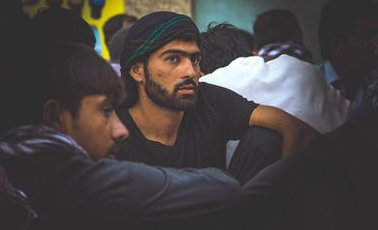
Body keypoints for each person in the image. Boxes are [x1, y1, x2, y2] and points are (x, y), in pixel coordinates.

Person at [0, 42, 246, 229]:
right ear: (56, 117)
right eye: (106, 111)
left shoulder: (8, 158)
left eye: (194, 60)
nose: (120, 130)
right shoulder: (69, 178)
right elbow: (226, 189)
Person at [116, 11, 319, 185]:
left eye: (194, 60)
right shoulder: (115, 129)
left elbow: (295, 129)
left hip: (223, 216)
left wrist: (276, 194)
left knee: (265, 139)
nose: (191, 71)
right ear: (137, 71)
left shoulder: (209, 99)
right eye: (173, 59)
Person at [200, 22, 349, 134]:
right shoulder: (300, 68)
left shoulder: (206, 88)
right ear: (253, 53)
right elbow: (349, 113)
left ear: (203, 71)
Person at [316, 0, 378, 120]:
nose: (376, 42)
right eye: (366, 36)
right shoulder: (311, 83)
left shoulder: (374, 77)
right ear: (337, 44)